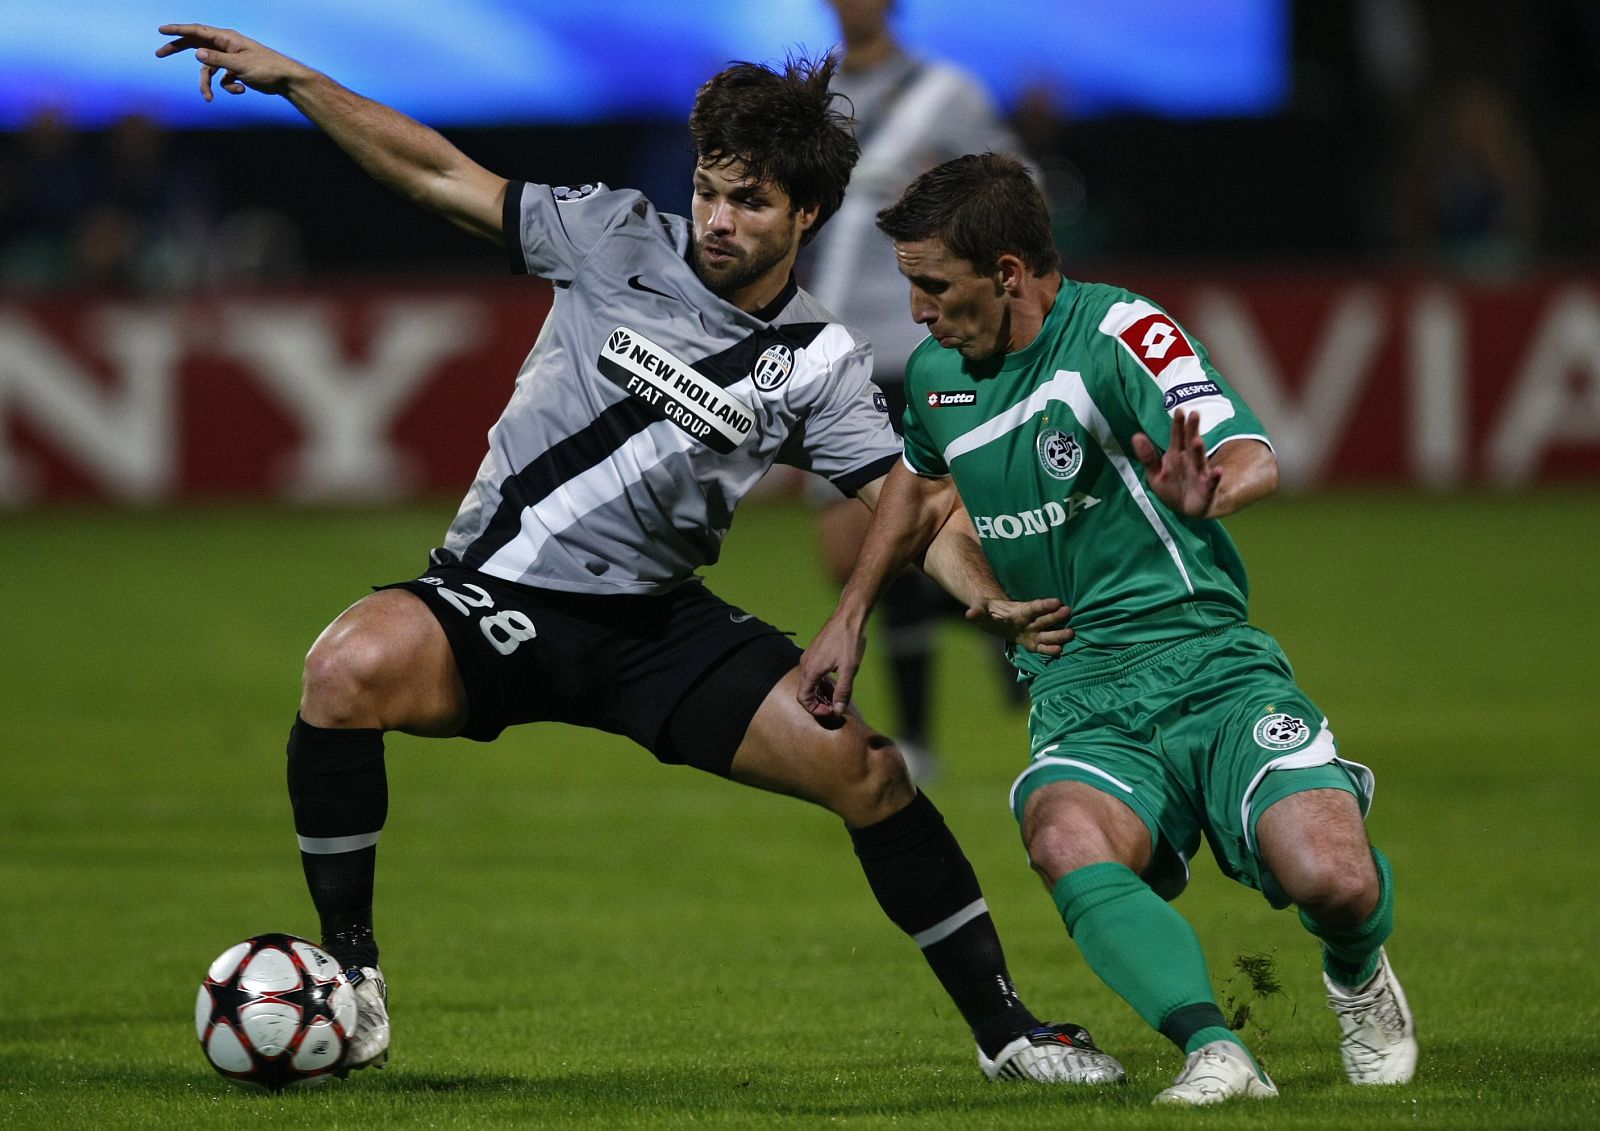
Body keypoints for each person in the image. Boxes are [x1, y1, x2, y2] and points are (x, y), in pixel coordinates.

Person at [153, 25, 1127, 1087]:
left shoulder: (816, 360)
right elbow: (437, 173)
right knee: (342, 669)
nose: (716, 217)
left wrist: (984, 597)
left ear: (806, 214)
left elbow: (916, 508)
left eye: (749, 202)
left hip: (657, 631)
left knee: (869, 773)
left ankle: (1009, 1033)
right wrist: (295, 79)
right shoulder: (607, 232)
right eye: (710, 189)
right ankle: (353, 976)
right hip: (493, 594)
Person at [798, 153, 1418, 1105]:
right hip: (1079, 689)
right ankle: (1218, 1051)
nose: (916, 311)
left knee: (1332, 878)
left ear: (1007, 273)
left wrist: (1211, 492)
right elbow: (921, 497)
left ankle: (1357, 973)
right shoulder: (935, 375)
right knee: (1062, 835)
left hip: (1207, 662)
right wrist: (871, 614)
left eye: (931, 285)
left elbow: (1249, 450)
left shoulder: (1123, 331)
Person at [798, 0, 1035, 778]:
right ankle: (1001, 624)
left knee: (891, 537)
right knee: (850, 552)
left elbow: (1019, 193)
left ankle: (921, 741)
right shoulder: (809, 105)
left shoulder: (946, 93)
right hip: (828, 341)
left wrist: (951, 191)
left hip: (914, 338)